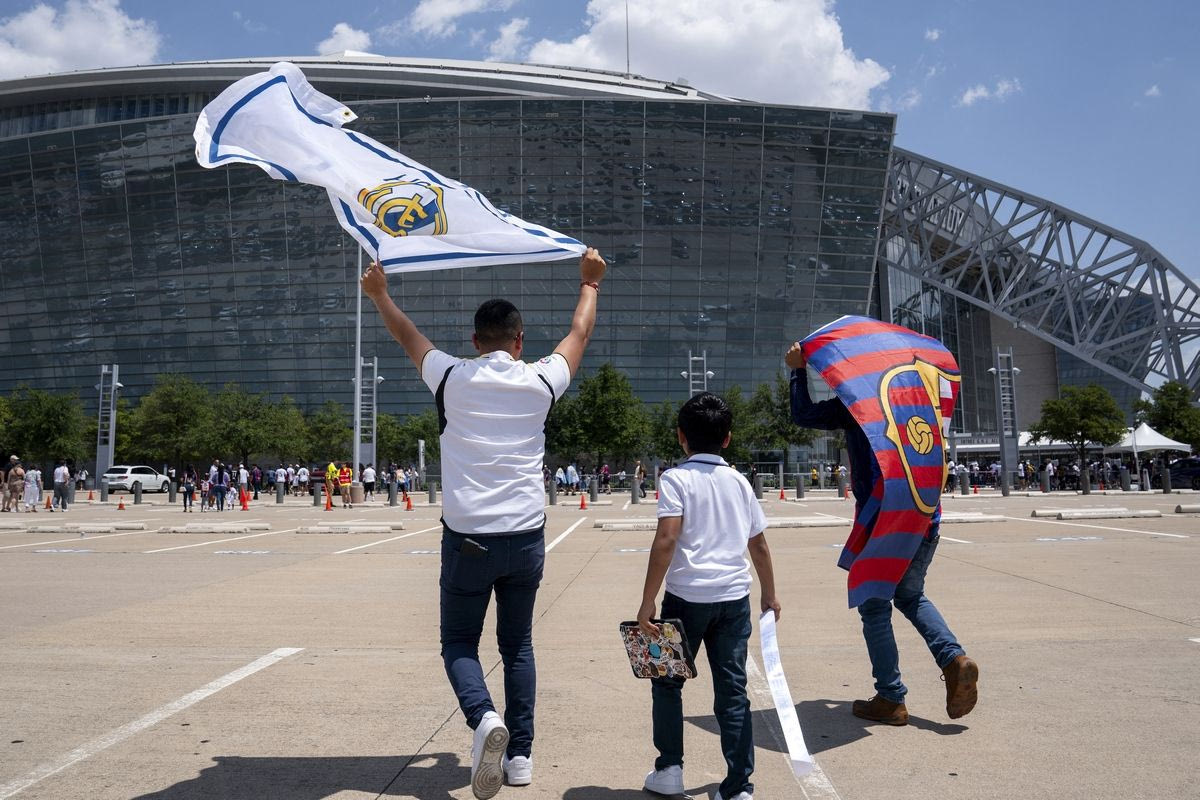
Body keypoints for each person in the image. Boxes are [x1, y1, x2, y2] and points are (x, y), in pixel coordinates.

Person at [362, 247, 606, 799]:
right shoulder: (542, 380)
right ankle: (520, 755)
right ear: (520, 342)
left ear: (474, 342)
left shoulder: (450, 377)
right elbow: (578, 336)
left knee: (458, 644)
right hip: (525, 537)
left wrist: (380, 294)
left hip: (468, 537)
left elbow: (407, 336)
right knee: (517, 646)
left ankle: (482, 718)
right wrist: (589, 283)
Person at [785, 341, 977, 725]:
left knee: (874, 606)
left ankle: (890, 697)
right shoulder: (920, 399)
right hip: (925, 514)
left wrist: (796, 370)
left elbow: (804, 414)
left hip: (882, 518)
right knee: (910, 595)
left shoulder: (862, 403)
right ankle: (953, 659)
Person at [637, 392, 779, 800]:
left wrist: (648, 600)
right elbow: (760, 546)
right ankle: (738, 787)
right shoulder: (739, 481)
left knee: (667, 682)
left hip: (684, 599)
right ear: (728, 439)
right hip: (733, 599)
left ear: (682, 437)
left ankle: (669, 770)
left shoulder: (675, 479)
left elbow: (667, 539)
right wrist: (769, 594)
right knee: (733, 691)